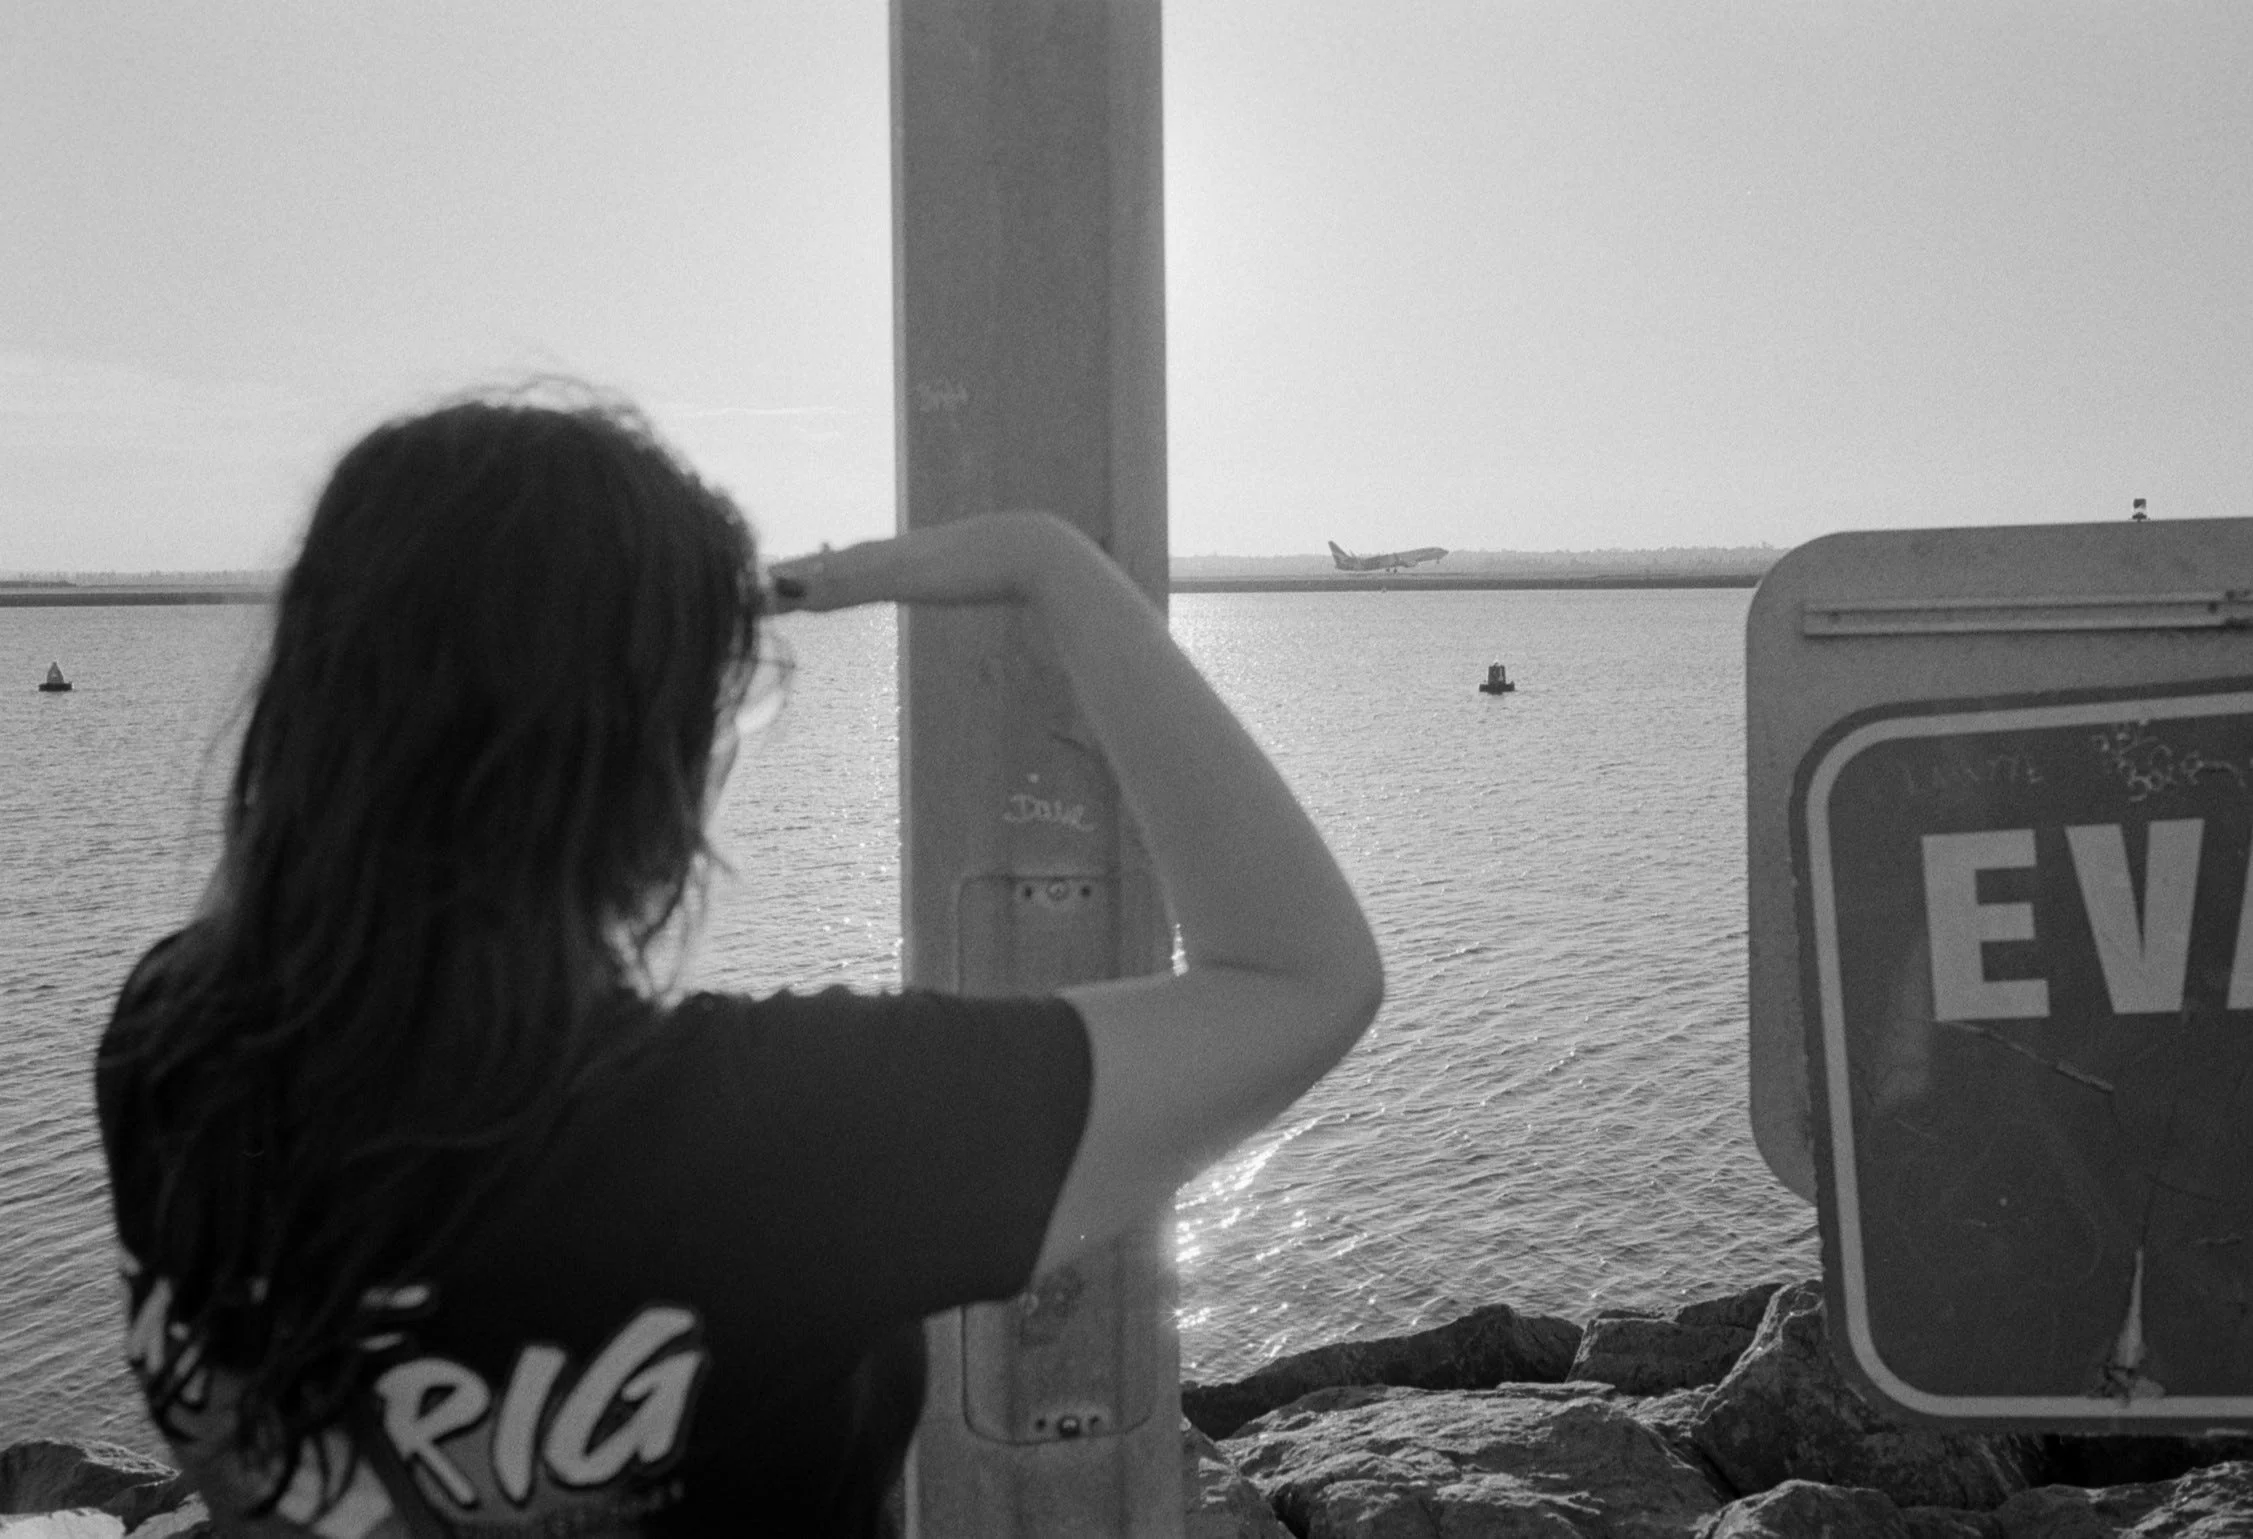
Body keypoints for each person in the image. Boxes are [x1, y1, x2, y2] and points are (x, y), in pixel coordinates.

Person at [96, 394, 1383, 1537]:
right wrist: (1050, 565)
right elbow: (1303, 978)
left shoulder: (170, 1043)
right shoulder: (766, 1135)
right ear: (641, 763)